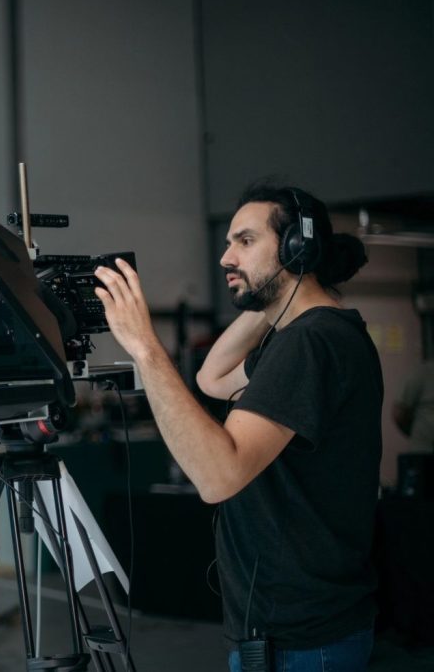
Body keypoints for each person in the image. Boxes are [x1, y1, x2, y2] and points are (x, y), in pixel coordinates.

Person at [93, 183, 380, 672]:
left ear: (297, 246)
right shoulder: (314, 333)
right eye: (228, 243)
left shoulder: (308, 344)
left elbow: (218, 476)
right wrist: (282, 296)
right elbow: (213, 378)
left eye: (245, 241)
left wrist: (144, 346)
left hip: (300, 641)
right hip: (307, 627)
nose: (227, 257)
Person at [393, 360, 434, 451]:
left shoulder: (423, 372)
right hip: (425, 449)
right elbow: (399, 412)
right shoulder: (424, 372)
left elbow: (399, 413)